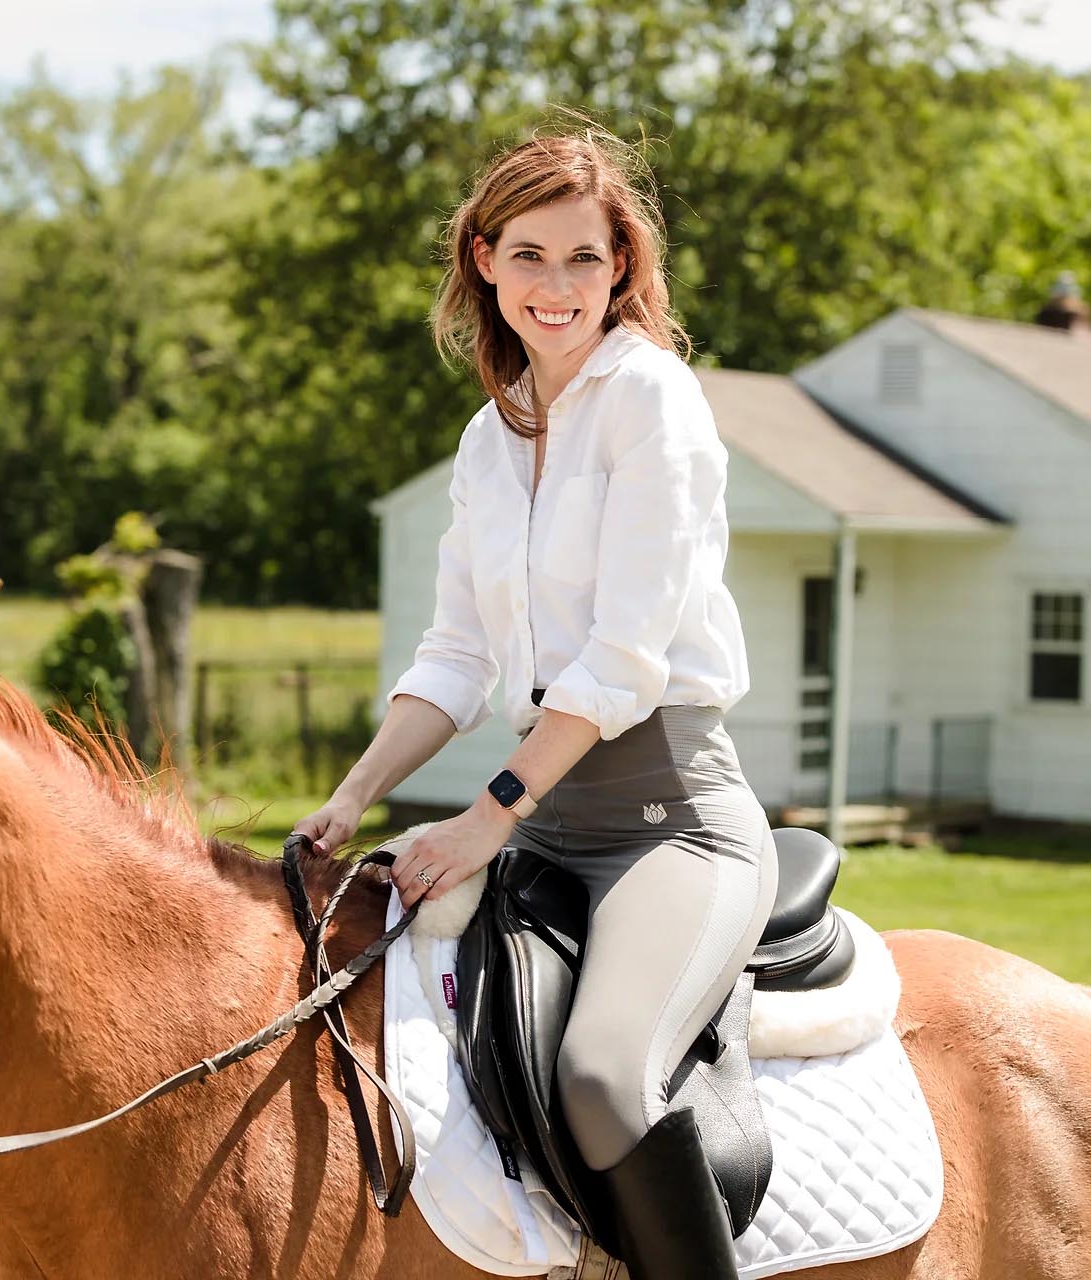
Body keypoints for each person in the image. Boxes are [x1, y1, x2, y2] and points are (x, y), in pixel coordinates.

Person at [294, 123, 774, 1280]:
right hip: (549, 825)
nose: (556, 288)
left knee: (605, 1076)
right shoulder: (486, 437)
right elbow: (457, 654)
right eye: (529, 257)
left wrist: (484, 817)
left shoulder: (652, 399)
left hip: (675, 819)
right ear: (483, 259)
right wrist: (351, 796)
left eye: (585, 261)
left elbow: (623, 661)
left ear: (623, 271)